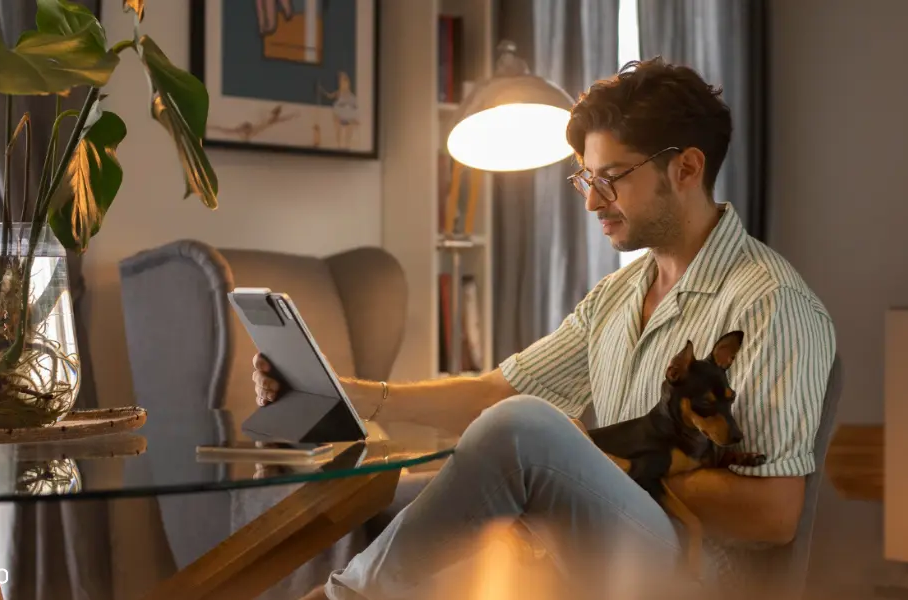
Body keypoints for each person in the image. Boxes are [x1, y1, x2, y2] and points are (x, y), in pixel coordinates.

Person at [256, 57, 836, 600]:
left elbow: (776, 514)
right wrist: (359, 396)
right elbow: (497, 393)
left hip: (699, 576)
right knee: (424, 489)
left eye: (611, 178)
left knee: (526, 432)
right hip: (598, 553)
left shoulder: (770, 303)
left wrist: (600, 463)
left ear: (686, 168)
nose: (593, 203)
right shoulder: (620, 294)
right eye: (586, 180)